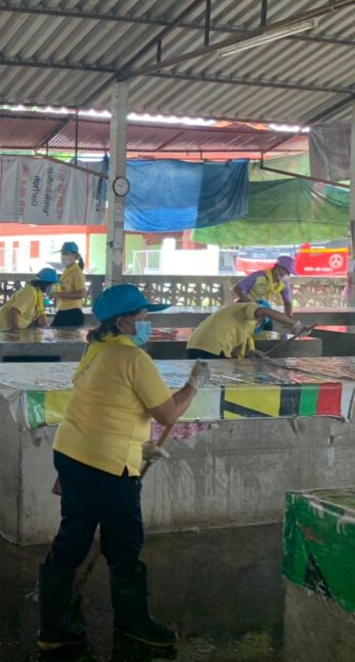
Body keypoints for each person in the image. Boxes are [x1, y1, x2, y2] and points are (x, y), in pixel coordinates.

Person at [38, 284, 210, 651]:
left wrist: (138, 444)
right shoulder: (132, 358)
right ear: (123, 322)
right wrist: (193, 385)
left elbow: (109, 404)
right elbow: (167, 413)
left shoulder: (97, 349)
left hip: (73, 452)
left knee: (73, 536)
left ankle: (53, 627)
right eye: (143, 317)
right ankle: (134, 624)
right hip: (107, 465)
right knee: (124, 543)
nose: (147, 323)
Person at [186, 302, 306, 359]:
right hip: (214, 347)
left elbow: (233, 351)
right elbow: (265, 311)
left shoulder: (240, 323)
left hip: (194, 345)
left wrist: (251, 353)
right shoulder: (248, 308)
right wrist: (295, 324)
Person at [233, 255, 295, 329]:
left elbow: (287, 302)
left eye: (289, 273)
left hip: (262, 310)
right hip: (245, 307)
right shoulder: (258, 276)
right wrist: (252, 304)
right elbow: (237, 289)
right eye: (287, 272)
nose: (287, 275)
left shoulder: (283, 283)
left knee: (266, 329)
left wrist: (289, 319)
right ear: (278, 268)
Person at [0, 267, 59, 332]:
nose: (53, 287)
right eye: (52, 285)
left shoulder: (38, 293)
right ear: (45, 284)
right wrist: (16, 330)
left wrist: (46, 329)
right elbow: (14, 310)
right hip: (4, 325)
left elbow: (41, 313)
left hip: (12, 325)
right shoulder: (30, 293)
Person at [51, 242, 88, 328]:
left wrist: (59, 294)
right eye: (62, 253)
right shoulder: (67, 271)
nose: (62, 256)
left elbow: (82, 294)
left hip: (72, 313)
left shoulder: (76, 272)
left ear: (74, 256)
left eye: (66, 253)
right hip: (63, 312)